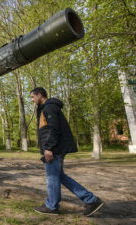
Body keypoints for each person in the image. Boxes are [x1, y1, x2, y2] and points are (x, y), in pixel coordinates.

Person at [30, 87, 104, 216]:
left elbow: (53, 129)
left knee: (52, 177)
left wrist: (49, 148)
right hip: (55, 148)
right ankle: (91, 200)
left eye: (32, 97)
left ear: (40, 95)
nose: (32, 100)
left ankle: (52, 206)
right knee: (60, 176)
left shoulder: (49, 108)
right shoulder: (46, 108)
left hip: (54, 149)